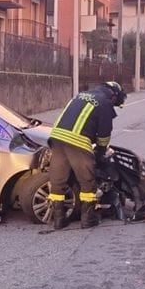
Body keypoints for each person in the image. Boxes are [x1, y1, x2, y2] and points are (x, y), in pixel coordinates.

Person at [47, 81, 126, 229]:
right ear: (114, 96)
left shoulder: (80, 96)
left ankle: (59, 219)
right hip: (77, 141)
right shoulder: (104, 103)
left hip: (56, 138)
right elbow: (104, 133)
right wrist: (101, 151)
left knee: (58, 180)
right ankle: (88, 219)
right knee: (87, 181)